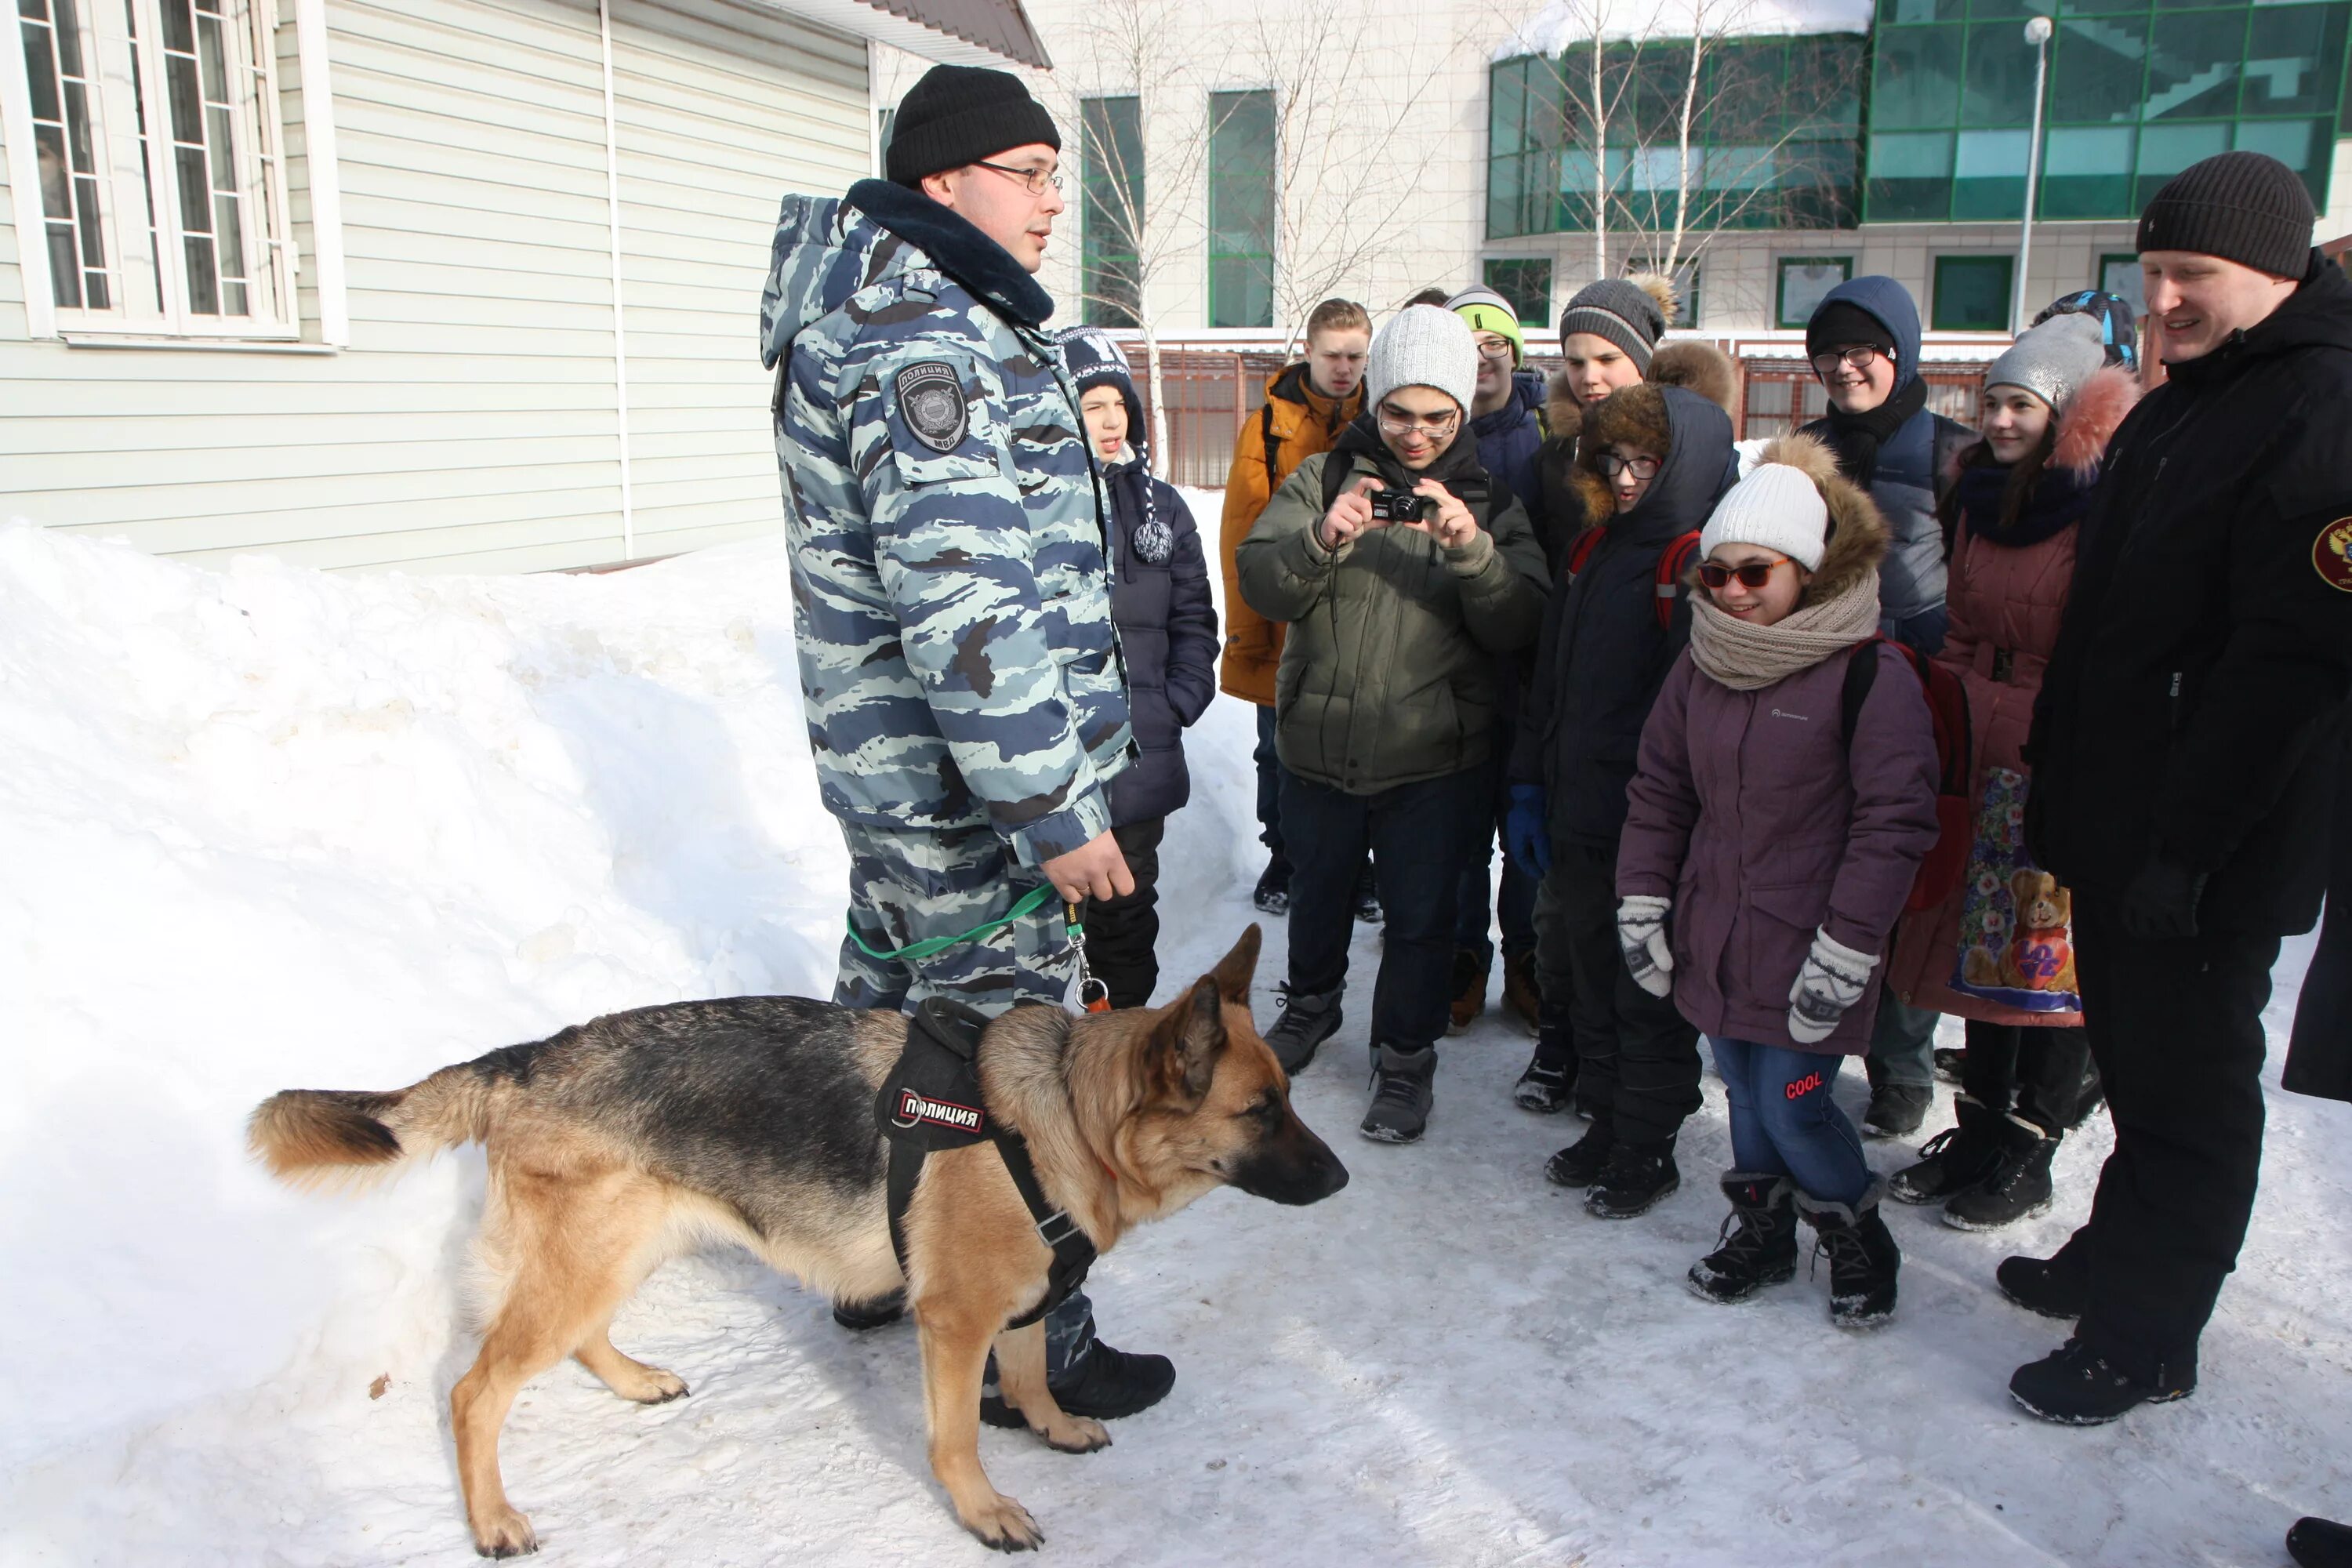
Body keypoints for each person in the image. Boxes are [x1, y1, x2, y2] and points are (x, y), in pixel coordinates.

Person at [759, 61, 1171, 1426]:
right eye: (1033, 172)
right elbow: (966, 604)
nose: (1058, 201)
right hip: (964, 797)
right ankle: (1031, 1346)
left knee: (884, 1031)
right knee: (1013, 1052)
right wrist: (1052, 805)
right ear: (946, 180)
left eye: (1057, 173)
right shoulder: (924, 336)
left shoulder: (915, 315)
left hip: (909, 787)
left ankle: (872, 1264)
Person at [2007, 150, 2352, 1425]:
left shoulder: (2323, 406)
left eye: (2188, 276)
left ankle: (2150, 1335)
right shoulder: (2184, 401)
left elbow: (2289, 669)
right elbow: (2113, 628)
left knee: (2192, 1083)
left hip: (2211, 845)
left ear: (2274, 268)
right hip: (2125, 817)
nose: (2160, 301)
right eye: (2151, 273)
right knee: (2138, 1064)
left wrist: (2190, 849)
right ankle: (2121, 1258)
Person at [1616, 437, 1942, 1326]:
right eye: (1714, 575)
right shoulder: (1701, 665)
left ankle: (1856, 1236)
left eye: (1755, 571)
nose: (1731, 593)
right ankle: (1762, 1230)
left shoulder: (1869, 675)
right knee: (1748, 1107)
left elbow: (1895, 821)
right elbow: (1660, 791)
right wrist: (1644, 897)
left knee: (1796, 1108)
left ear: (1805, 568)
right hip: (1715, 936)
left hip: (1814, 947)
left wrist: (1849, 945)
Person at [1238, 305, 1549, 1143]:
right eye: (1399, 413)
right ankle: (1309, 1010)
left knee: (1421, 919)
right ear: (1376, 402)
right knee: (1319, 892)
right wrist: (1321, 538)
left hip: (1434, 763)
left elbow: (1521, 622)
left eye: (1436, 416)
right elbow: (1262, 583)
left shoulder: (1491, 498)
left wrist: (1471, 548)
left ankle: (1405, 1057)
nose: (1415, 434)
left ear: (1461, 410)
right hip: (1319, 747)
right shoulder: (1321, 478)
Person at [1880, 307, 2138, 1229]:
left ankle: (2031, 1141)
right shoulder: (1978, 499)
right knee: (1971, 949)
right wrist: (1935, 714)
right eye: (1993, 401)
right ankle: (1978, 1125)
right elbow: (1958, 626)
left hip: (2054, 750)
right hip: (1976, 740)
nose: (1999, 421)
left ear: (2067, 414)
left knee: (2043, 958)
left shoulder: (2101, 504)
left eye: (2022, 404)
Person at [1506, 350, 1738, 1218]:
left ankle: (1648, 1142)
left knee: (1649, 992)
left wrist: (1668, 824)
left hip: (1650, 827)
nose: (1629, 478)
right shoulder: (1597, 545)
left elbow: (1690, 723)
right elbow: (1550, 681)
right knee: (1591, 977)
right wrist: (1531, 782)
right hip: (1576, 812)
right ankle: (1607, 1116)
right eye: (1615, 462)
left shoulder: (1697, 562)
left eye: (1648, 462)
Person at [1800, 277, 1976, 1141]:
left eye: (1862, 349)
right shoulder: (1805, 448)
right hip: (1825, 686)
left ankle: (1901, 1067)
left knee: (1907, 886)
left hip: (1920, 692)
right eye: (1829, 353)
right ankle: (1815, 1052)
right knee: (1828, 876)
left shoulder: (1954, 453)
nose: (1845, 367)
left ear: (1900, 351)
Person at [1506, 272, 1680, 1115]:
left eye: (1608, 356)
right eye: (1575, 359)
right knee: (1559, 913)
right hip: (1567, 710)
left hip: (1643, 729)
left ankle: (1624, 1080)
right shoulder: (1556, 463)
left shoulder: (1682, 462)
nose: (1590, 376)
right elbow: (1548, 601)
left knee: (1632, 925)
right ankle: (1561, 1043)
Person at [1062, 327, 1219, 1009]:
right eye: (1091, 403)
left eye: (1118, 403)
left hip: (1140, 758)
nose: (1108, 419)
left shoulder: (1163, 509)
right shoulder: (1041, 505)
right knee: (1047, 921)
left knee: (1125, 917)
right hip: (1057, 759)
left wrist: (1175, 702)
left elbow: (1194, 620)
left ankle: (1120, 1048)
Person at [1218, 299, 1373, 920]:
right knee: (1275, 751)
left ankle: (1360, 868)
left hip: (1360, 622)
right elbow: (1242, 538)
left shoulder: (1386, 419)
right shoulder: (1266, 428)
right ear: (1307, 352)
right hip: (1283, 619)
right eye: (1332, 355)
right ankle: (1282, 855)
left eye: (1355, 355)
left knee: (1360, 748)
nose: (1343, 368)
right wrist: (1251, 634)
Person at [1444, 285, 1551, 1034]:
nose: (1484, 358)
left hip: (1528, 669)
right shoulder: (1430, 433)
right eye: (1468, 344)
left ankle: (1527, 959)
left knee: (1524, 832)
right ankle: (1462, 959)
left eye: (1495, 345)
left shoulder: (1547, 438)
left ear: (1513, 353)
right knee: (1456, 833)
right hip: (1449, 666)